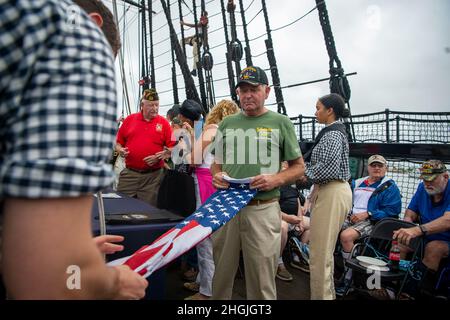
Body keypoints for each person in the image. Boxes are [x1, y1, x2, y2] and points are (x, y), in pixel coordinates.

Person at [0, 0, 147, 299]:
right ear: (92, 24)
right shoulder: (73, 36)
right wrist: (111, 280)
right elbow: (48, 283)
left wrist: (58, 248)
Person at [210, 66, 304, 300]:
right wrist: (216, 175)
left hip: (262, 210)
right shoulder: (227, 123)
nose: (248, 95)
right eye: (243, 90)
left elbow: (299, 166)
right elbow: (216, 163)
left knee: (262, 282)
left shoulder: (280, 122)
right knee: (220, 275)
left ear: (267, 91)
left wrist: (276, 178)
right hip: (227, 209)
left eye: (254, 89)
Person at [181, 99, 240, 300]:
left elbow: (193, 159)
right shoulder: (230, 133)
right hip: (220, 183)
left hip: (205, 182)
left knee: (204, 236)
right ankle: (202, 281)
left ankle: (207, 292)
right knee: (215, 235)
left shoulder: (212, 129)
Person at [303, 93, 353, 300]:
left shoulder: (332, 134)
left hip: (332, 190)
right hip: (329, 190)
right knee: (322, 252)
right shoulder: (334, 132)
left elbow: (329, 169)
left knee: (319, 254)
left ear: (330, 110)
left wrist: (299, 173)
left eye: (318, 108)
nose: (316, 112)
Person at [336, 154, 402, 295]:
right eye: (373, 165)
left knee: (346, 236)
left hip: (372, 221)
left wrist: (369, 214)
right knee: (329, 229)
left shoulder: (390, 187)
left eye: (380, 165)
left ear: (386, 168)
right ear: (368, 167)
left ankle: (348, 279)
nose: (376, 168)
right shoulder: (357, 183)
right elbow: (347, 200)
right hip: (351, 217)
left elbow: (392, 211)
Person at [393, 160, 449, 296]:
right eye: (424, 179)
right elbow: (410, 213)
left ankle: (415, 293)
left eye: (431, 179)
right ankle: (393, 285)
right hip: (426, 237)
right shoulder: (422, 188)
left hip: (445, 241)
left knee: (434, 248)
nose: (427, 183)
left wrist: (417, 230)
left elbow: (448, 220)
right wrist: (407, 225)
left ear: (445, 177)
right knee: (400, 240)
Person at [115, 89, 175, 207]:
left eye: (157, 105)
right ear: (142, 105)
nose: (155, 108)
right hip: (130, 175)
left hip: (153, 178)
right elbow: (118, 143)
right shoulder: (129, 120)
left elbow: (174, 148)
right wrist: (120, 150)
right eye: (151, 105)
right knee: (120, 208)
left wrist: (161, 156)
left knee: (148, 211)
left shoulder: (164, 124)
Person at [276, 162, 303, 282]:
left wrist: (300, 220)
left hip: (293, 218)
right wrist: (287, 218)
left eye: (287, 165)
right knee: (283, 227)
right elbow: (271, 207)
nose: (285, 167)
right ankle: (279, 261)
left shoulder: (292, 184)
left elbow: (297, 201)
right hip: (279, 218)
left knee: (313, 224)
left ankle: (298, 255)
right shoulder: (275, 183)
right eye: (283, 165)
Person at [180, 11, 209, 76]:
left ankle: (194, 69)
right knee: (182, 41)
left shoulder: (203, 24)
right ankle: (182, 55)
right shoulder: (201, 24)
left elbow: (194, 26)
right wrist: (189, 37)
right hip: (194, 38)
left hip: (198, 41)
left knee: (195, 53)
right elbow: (197, 33)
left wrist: (184, 23)